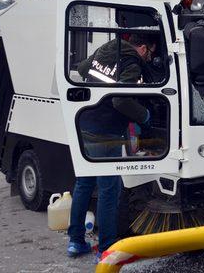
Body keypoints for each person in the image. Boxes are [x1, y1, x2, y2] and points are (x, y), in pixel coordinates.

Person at [68, 34, 157, 261]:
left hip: (84, 123)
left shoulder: (109, 48)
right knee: (109, 190)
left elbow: (84, 67)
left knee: (84, 184)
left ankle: (76, 241)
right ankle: (107, 248)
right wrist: (145, 116)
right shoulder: (132, 63)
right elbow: (120, 101)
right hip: (106, 132)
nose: (149, 58)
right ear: (144, 48)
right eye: (151, 53)